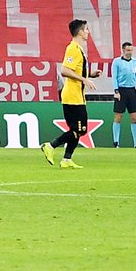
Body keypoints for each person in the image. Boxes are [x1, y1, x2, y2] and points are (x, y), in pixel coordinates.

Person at [46, 19, 92, 168]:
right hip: (72, 97)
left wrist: (90, 75)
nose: (87, 32)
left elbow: (77, 71)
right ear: (79, 32)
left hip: (77, 96)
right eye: (86, 30)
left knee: (76, 130)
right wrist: (84, 79)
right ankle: (51, 146)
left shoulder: (79, 49)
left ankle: (66, 159)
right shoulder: (72, 48)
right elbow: (65, 71)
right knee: (80, 130)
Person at [110, 42, 136, 148]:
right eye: (128, 50)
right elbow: (114, 77)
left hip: (132, 91)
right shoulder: (117, 62)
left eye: (131, 50)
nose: (130, 52)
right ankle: (116, 142)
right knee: (118, 117)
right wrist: (116, 91)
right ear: (123, 50)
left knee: (134, 117)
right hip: (121, 90)